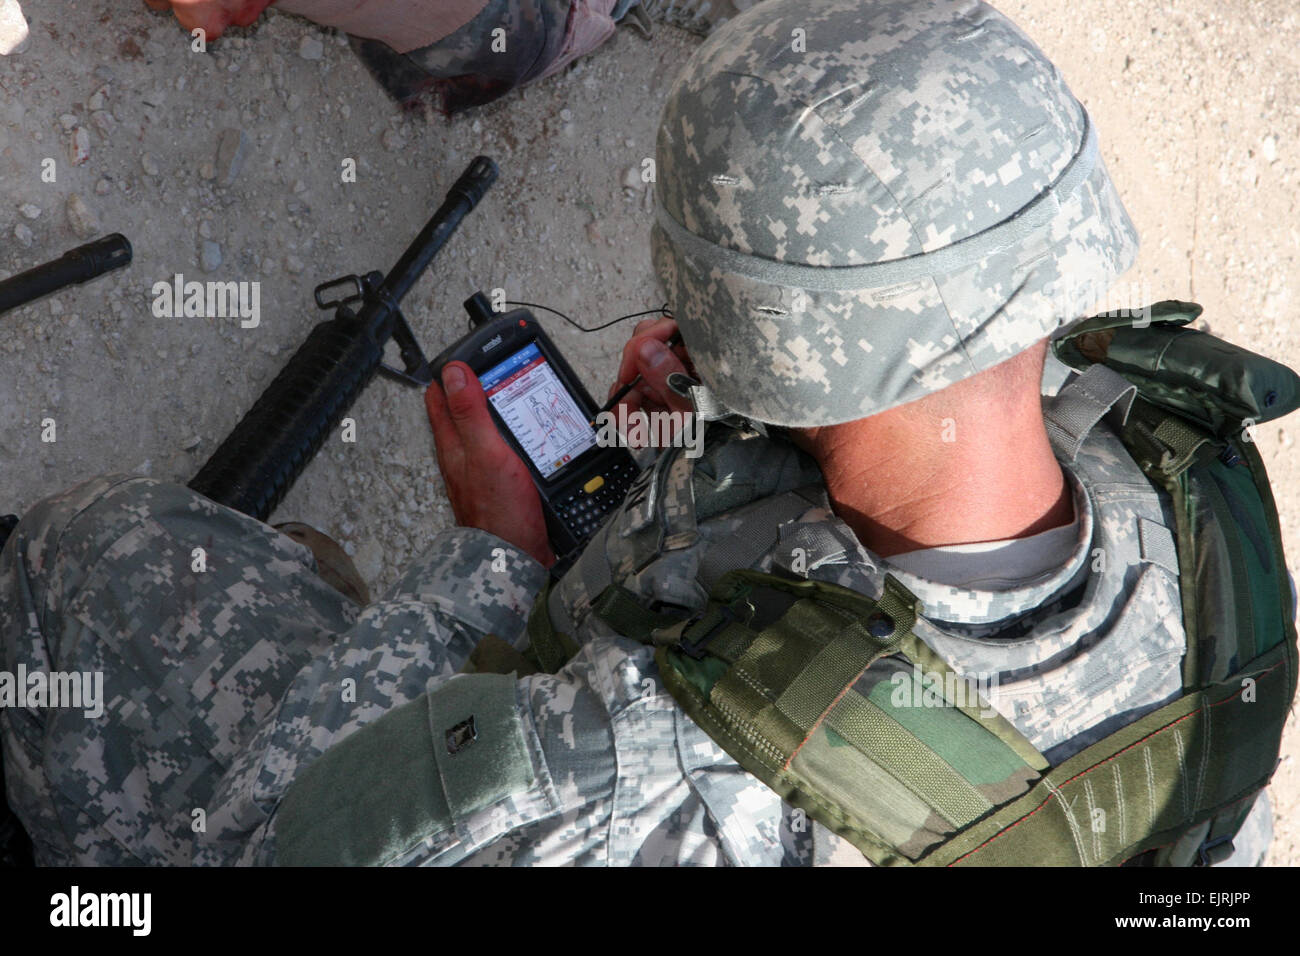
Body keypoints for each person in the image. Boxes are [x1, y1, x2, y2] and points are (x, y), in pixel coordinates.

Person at [0, 0, 1289, 866]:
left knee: (108, 559)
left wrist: (492, 563)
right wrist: (697, 474)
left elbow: (297, 838)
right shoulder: (1191, 489)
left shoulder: (626, 766)